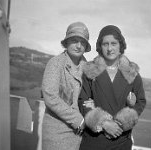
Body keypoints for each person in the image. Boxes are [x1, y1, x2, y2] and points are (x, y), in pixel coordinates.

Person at [78, 25, 146, 150]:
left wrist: (121, 123)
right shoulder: (90, 71)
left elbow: (141, 102)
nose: (109, 48)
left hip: (121, 140)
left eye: (114, 43)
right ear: (100, 46)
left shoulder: (132, 73)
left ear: (120, 45)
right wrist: (104, 123)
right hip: (94, 141)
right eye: (105, 44)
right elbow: (82, 100)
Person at [41, 22, 91, 150]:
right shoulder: (55, 63)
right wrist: (78, 120)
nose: (79, 46)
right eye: (74, 40)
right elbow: (50, 97)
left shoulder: (88, 68)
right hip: (57, 134)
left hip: (81, 135)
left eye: (83, 42)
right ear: (67, 42)